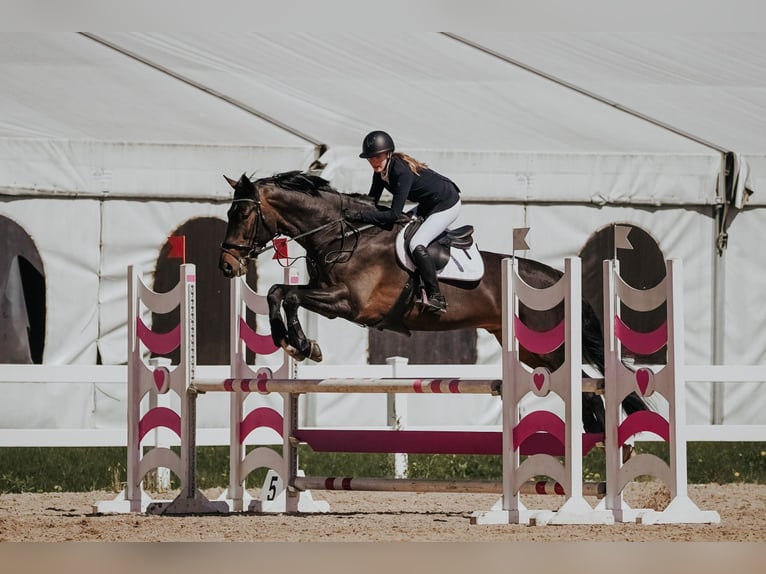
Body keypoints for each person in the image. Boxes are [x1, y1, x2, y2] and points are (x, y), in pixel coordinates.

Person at [347, 130, 462, 313]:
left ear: (388, 153)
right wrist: (352, 210)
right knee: (401, 233)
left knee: (417, 243)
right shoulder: (380, 173)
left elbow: (394, 214)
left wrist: (361, 216)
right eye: (370, 157)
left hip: (447, 202)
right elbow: (371, 203)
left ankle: (436, 297)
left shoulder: (400, 171)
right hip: (427, 203)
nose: (373, 161)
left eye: (377, 156)